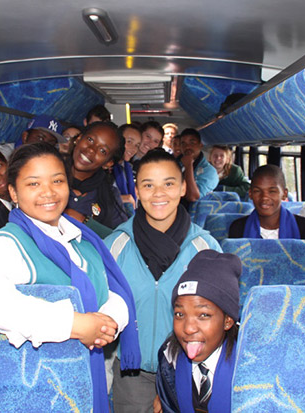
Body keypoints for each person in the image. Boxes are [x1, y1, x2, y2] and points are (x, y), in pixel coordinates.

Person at [0, 142, 140, 413]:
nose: (48, 192)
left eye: (57, 181)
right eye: (34, 184)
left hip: (84, 378)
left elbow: (109, 290)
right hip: (38, 389)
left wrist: (108, 321)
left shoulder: (81, 239)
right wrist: (74, 323)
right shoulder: (9, 244)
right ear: (13, 192)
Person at [104, 149, 221, 412]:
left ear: (183, 188)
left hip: (190, 369)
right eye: (148, 185)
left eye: (168, 184)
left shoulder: (205, 248)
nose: (159, 194)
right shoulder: (115, 246)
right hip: (132, 371)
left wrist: (173, 383)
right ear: (137, 190)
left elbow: (220, 321)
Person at [155, 250, 241, 413]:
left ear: (227, 320)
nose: (188, 328)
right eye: (180, 314)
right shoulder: (169, 360)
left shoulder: (248, 365)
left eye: (203, 315)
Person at [65, 121, 130, 231]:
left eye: (102, 150)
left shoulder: (109, 196)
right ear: (78, 138)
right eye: (90, 140)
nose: (91, 149)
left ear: (108, 163)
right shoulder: (48, 176)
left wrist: (85, 222)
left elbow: (121, 237)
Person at [229, 165, 305, 240]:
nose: (264, 197)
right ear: (250, 194)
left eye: (272, 191)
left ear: (284, 194)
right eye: (257, 191)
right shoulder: (238, 228)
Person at [179, 128, 219, 204]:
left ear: (200, 145)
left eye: (192, 143)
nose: (187, 147)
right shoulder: (176, 164)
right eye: (183, 144)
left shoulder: (209, 171)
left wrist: (188, 166)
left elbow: (192, 197)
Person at [113, 123, 142, 207]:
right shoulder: (104, 167)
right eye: (129, 142)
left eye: (137, 145)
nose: (133, 148)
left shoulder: (128, 168)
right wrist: (119, 199)